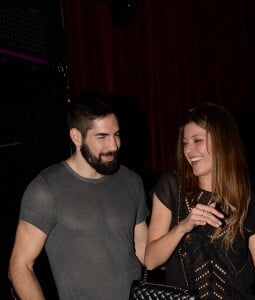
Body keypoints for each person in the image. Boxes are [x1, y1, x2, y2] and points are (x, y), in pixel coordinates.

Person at [144, 102, 255, 299]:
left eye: (197, 140)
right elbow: (150, 260)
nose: (188, 151)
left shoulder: (247, 201)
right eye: (185, 143)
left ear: (222, 142)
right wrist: (184, 226)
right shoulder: (172, 187)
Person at [8, 91, 149, 300]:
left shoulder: (131, 181)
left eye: (116, 134)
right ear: (76, 137)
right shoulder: (45, 190)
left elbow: (144, 249)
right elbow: (20, 267)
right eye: (102, 137)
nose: (114, 146)